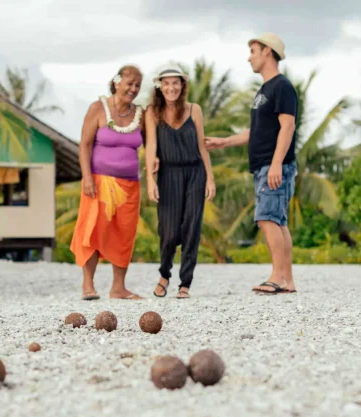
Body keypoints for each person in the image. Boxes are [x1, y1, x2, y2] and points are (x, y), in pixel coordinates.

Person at [205, 33, 298, 294]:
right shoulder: (264, 90)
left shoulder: (281, 86)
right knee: (277, 221)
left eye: (253, 51)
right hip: (265, 164)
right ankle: (287, 280)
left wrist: (277, 163)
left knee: (267, 219)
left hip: (273, 164)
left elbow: (287, 125)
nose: (249, 57)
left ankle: (277, 276)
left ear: (267, 51)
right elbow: (256, 131)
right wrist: (223, 142)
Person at [70, 65, 144, 300]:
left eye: (137, 86)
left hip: (130, 185)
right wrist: (87, 177)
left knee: (124, 233)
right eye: (129, 83)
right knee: (92, 231)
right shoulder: (98, 108)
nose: (133, 89)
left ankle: (118, 287)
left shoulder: (140, 114)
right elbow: (85, 144)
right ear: (116, 82)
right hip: (99, 182)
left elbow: (152, 146)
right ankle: (88, 285)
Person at [145, 64, 216, 299]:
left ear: (182, 85)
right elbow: (151, 148)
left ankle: (185, 283)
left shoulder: (194, 109)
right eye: (166, 83)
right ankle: (164, 274)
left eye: (175, 83)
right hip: (168, 174)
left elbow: (202, 146)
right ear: (160, 86)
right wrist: (150, 180)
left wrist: (210, 178)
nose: (171, 87)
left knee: (191, 227)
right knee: (168, 231)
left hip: (195, 173)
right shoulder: (152, 113)